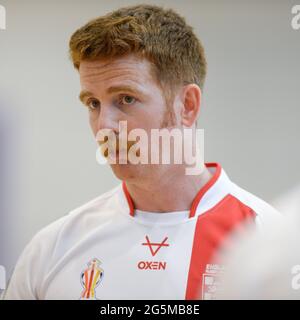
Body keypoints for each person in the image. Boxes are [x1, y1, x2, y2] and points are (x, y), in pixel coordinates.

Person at [4, 4, 280, 300]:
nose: (104, 127)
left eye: (125, 99)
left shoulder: (271, 242)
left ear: (187, 105)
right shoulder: (51, 250)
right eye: (93, 103)